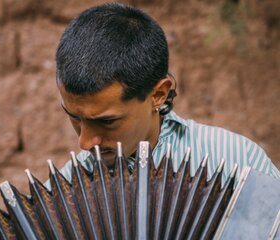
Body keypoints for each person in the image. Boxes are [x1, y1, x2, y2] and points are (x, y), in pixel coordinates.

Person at [53, 3, 280, 185]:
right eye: (74, 117)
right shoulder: (66, 191)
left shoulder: (239, 162)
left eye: (107, 121)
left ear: (159, 94)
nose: (84, 142)